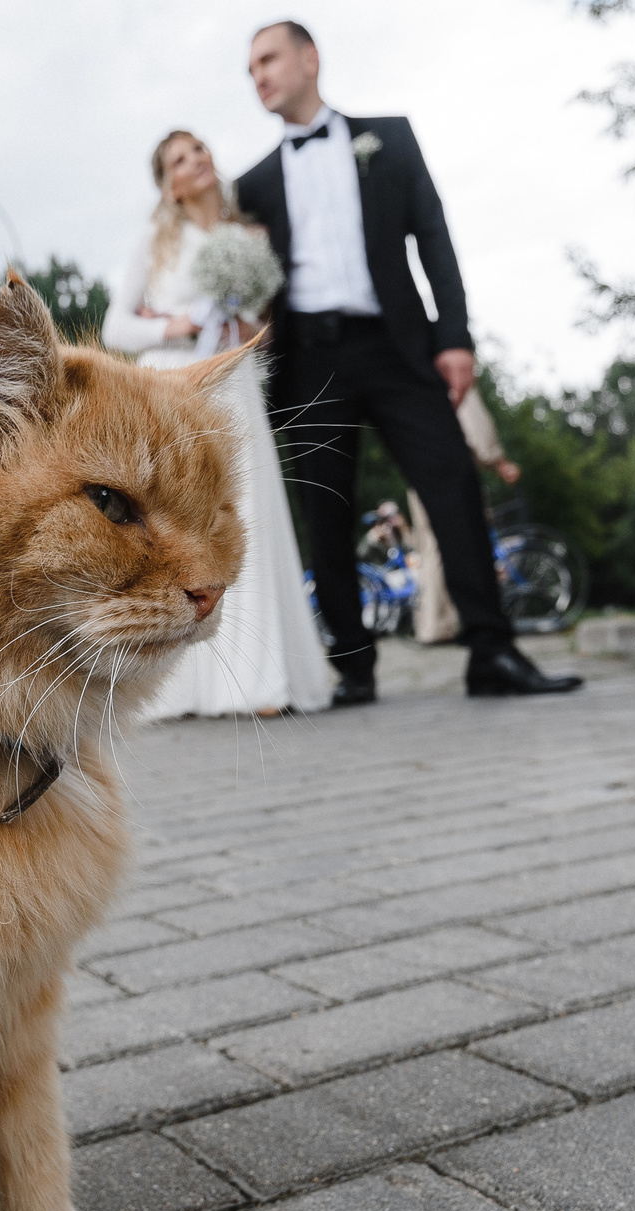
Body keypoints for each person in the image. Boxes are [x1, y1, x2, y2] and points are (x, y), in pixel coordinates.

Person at [234, 20, 581, 703]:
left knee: (452, 484)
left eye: (269, 59)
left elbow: (434, 237)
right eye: (250, 69)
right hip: (310, 360)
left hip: (398, 347)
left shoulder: (388, 138)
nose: (259, 76)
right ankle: (354, 670)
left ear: (310, 58)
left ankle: (492, 651)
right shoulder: (253, 185)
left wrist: (454, 336)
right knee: (326, 512)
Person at [103, 130, 334, 718]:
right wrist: (175, 325)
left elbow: (266, 329)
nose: (195, 161)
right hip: (172, 385)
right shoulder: (156, 242)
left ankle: (259, 678)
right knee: (180, 519)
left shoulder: (249, 237)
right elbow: (114, 328)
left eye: (199, 149)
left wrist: (240, 321)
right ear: (168, 185)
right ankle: (177, 684)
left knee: (241, 512)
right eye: (178, 159)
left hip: (232, 384)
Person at [408, 388, 521, 644]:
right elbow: (473, 420)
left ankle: (434, 625)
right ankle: (452, 626)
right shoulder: (450, 368)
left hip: (420, 469)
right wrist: (498, 460)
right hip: (449, 468)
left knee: (431, 548)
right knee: (454, 543)